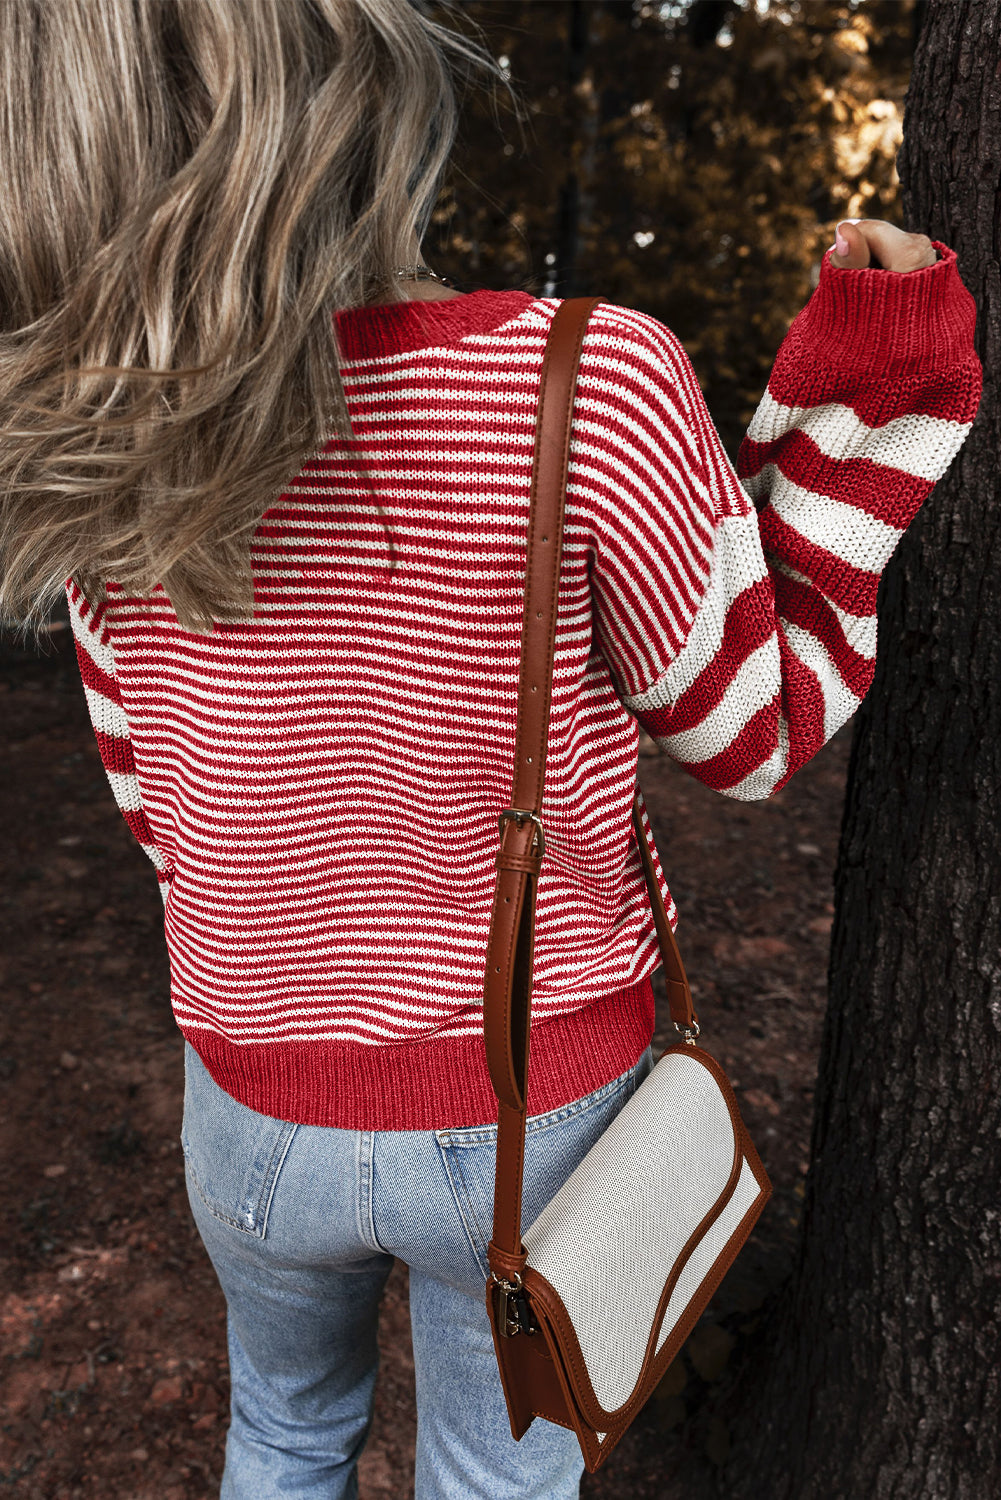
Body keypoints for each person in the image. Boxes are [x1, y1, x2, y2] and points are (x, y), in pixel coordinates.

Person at [0, 3, 982, 1497]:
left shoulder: (94, 450)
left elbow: (159, 813)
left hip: (251, 1111)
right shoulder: (584, 382)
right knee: (497, 1477)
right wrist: (868, 384)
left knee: (278, 1434)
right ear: (364, 86)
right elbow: (752, 736)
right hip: (531, 1114)